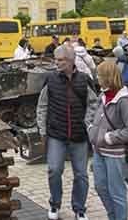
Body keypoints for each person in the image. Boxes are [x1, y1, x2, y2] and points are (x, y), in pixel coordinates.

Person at [36, 46, 92, 220]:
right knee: (54, 170)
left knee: (81, 175)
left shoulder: (84, 80)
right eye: (56, 59)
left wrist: (88, 125)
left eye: (60, 60)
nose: (57, 63)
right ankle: (55, 204)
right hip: (56, 135)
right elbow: (42, 106)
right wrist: (42, 130)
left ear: (70, 60)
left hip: (79, 135)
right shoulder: (50, 80)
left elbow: (94, 104)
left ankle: (79, 209)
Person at [87, 61, 128, 220]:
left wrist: (109, 137)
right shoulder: (103, 96)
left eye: (99, 75)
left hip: (115, 154)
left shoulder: (124, 100)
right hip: (99, 151)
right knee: (100, 187)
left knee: (117, 192)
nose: (97, 78)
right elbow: (93, 116)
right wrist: (91, 129)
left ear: (107, 77)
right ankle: (113, 216)